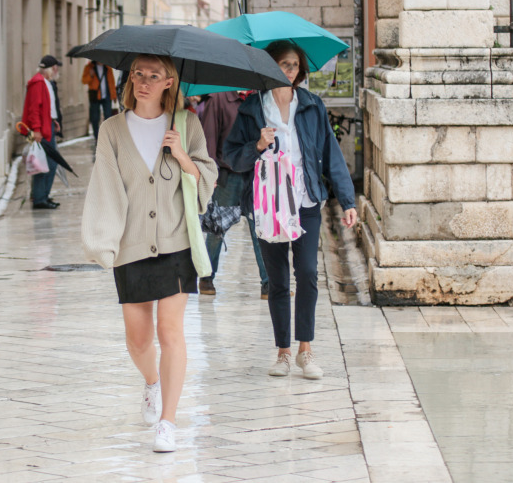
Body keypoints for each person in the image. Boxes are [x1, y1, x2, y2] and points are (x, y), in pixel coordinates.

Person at [82, 54, 218, 452]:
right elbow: (105, 185)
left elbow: (206, 176)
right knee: (138, 339)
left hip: (176, 242)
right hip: (130, 244)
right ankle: (152, 383)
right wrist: (102, 240)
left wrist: (181, 155)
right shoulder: (111, 129)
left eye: (153, 75)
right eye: (138, 74)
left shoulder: (186, 124)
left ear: (169, 82)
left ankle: (168, 421)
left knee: (170, 331)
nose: (143, 81)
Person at [223, 41, 357, 380]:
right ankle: (282, 351)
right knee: (278, 280)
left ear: (301, 70)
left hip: (306, 202)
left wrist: (348, 200)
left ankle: (305, 349)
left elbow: (332, 154)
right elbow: (231, 156)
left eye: (294, 65)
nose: (289, 71)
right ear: (268, 67)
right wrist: (257, 145)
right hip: (269, 207)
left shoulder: (311, 106)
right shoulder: (253, 109)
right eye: (282, 65)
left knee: (309, 274)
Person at [199, 90, 269, 299]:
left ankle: (268, 282)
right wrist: (210, 174)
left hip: (257, 173)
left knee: (260, 229)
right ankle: (206, 275)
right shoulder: (218, 99)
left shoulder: (262, 99)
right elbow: (209, 138)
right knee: (217, 228)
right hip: (229, 175)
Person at [22, 55, 63, 209]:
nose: (57, 70)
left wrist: (53, 121)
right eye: (56, 67)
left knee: (50, 164)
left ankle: (44, 196)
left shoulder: (46, 83)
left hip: (48, 127)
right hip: (42, 131)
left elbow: (46, 108)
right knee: (43, 164)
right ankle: (40, 198)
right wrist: (37, 130)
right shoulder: (38, 83)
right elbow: (34, 110)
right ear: (52, 68)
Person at [81, 60, 117, 141]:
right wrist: (90, 75)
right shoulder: (89, 67)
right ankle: (97, 137)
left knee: (108, 116)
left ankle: (108, 136)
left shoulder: (108, 67)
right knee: (95, 118)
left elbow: (111, 82)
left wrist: (113, 95)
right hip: (95, 96)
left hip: (106, 95)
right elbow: (84, 80)